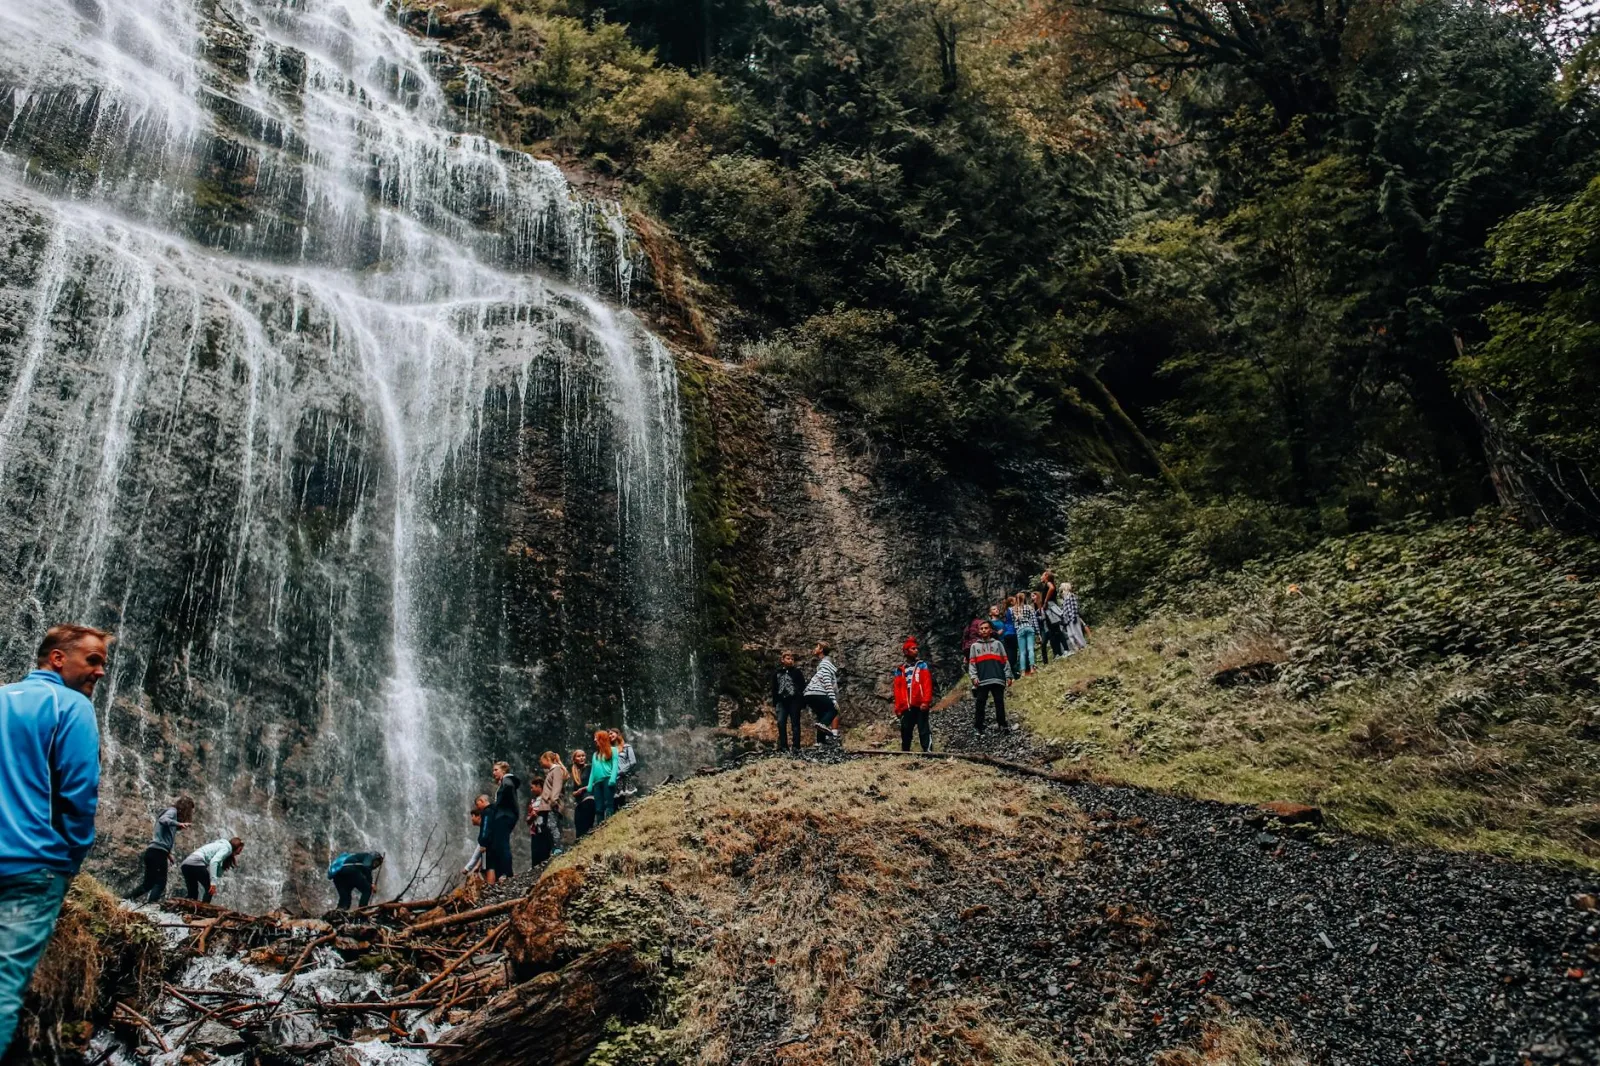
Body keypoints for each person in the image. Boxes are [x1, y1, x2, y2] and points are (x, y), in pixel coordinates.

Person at [0, 625, 107, 1057]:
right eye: (93, 660)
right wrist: (69, 860)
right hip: (33, 867)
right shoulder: (72, 706)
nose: (100, 672)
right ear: (58, 658)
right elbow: (80, 793)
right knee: (4, 985)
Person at [125, 796, 194, 904]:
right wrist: (179, 823)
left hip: (154, 851)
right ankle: (151, 906)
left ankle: (124, 900)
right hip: (158, 853)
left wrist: (168, 854)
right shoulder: (172, 811)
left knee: (148, 884)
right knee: (160, 883)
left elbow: (161, 838)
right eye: (190, 810)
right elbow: (163, 820)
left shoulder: (172, 814)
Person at [967, 620, 1013, 733]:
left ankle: (1002, 724)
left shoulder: (998, 644)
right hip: (982, 679)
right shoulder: (974, 646)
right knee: (980, 702)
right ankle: (978, 726)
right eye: (981, 629)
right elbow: (972, 664)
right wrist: (974, 677)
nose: (984, 630)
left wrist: (1008, 676)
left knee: (999, 702)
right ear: (979, 631)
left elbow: (1005, 660)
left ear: (990, 630)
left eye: (986, 628)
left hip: (998, 678)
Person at [892, 638, 935, 753]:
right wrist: (898, 708)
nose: (916, 650)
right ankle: (905, 751)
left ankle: (927, 750)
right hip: (906, 705)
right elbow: (897, 690)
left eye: (916, 648)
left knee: (923, 728)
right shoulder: (900, 670)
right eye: (913, 648)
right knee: (905, 729)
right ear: (906, 652)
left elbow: (927, 684)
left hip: (920, 703)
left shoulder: (922, 666)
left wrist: (926, 701)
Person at [528, 752, 566, 866]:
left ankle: (557, 848)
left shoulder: (556, 770)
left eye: (542, 760)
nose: (541, 763)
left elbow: (557, 786)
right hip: (547, 805)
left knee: (552, 826)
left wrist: (553, 800)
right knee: (549, 827)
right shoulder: (551, 771)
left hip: (551, 804)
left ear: (547, 759)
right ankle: (554, 848)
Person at [180, 837, 244, 902]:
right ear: (236, 846)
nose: (240, 852)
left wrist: (221, 868)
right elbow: (214, 862)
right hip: (196, 862)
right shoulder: (226, 849)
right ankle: (204, 907)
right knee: (210, 889)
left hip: (186, 864)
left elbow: (218, 872)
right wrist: (213, 882)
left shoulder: (221, 845)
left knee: (192, 894)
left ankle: (183, 906)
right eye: (240, 849)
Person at [486, 762, 519, 884]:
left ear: (503, 771)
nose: (493, 773)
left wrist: (496, 805)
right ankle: (503, 872)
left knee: (503, 844)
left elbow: (508, 787)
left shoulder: (507, 780)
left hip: (504, 816)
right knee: (499, 844)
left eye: (496, 770)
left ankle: (506, 873)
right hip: (505, 815)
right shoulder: (506, 781)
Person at [803, 642, 841, 744]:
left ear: (821, 650)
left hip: (809, 694)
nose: (815, 648)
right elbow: (827, 682)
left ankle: (820, 742)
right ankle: (823, 726)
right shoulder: (825, 664)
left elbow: (826, 680)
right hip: (816, 692)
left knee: (822, 715)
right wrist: (833, 700)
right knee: (834, 710)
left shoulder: (825, 664)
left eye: (817, 647)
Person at [770, 650, 806, 752]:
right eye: (788, 658)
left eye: (792, 659)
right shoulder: (777, 673)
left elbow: (802, 686)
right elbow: (774, 688)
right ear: (782, 660)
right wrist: (775, 702)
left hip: (794, 701)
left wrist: (802, 702)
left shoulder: (797, 672)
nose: (790, 661)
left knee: (795, 723)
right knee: (781, 722)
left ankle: (796, 746)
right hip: (781, 702)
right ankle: (784, 746)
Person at [589, 732, 618, 823]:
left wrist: (613, 778)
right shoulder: (595, 754)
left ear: (602, 739)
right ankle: (599, 826)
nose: (594, 740)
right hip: (597, 783)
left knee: (608, 803)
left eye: (596, 738)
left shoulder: (613, 750)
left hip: (607, 779)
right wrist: (590, 784)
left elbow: (615, 765)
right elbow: (593, 770)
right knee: (598, 807)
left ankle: (609, 823)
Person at [570, 750, 596, 838]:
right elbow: (574, 791)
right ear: (574, 759)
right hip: (579, 802)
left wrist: (583, 789)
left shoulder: (589, 768)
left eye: (583, 756)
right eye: (579, 756)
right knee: (578, 825)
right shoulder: (575, 772)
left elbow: (595, 782)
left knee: (586, 825)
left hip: (589, 798)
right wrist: (576, 792)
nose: (581, 758)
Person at [463, 795, 490, 876]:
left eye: (472, 816)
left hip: (492, 857)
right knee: (484, 869)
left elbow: (480, 850)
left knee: (487, 869)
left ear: (478, 817)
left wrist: (467, 868)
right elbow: (481, 849)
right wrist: (478, 866)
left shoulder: (485, 828)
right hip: (487, 857)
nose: (471, 819)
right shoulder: (484, 828)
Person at [1012, 592, 1038, 676]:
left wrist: (1017, 630)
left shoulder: (1014, 610)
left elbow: (1014, 623)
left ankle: (1023, 671)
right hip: (1029, 627)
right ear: (1024, 599)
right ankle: (1032, 668)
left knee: (1022, 652)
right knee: (1030, 649)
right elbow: (1034, 620)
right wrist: (1038, 632)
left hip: (1020, 629)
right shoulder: (1029, 607)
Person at [609, 729, 637, 802]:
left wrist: (622, 771)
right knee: (616, 803)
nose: (610, 735)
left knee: (628, 801)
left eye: (611, 733)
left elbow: (633, 762)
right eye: (608, 735)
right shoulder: (609, 750)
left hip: (625, 778)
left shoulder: (627, 746)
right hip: (614, 780)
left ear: (617, 734)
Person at [1060, 582, 1088, 651]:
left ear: (1065, 588)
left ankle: (1083, 646)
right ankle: (1077, 648)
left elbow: (1074, 607)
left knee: (1077, 633)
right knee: (1071, 634)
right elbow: (1065, 610)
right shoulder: (1064, 599)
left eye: (1062, 589)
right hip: (1068, 620)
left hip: (1073, 618)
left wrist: (1073, 617)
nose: (1061, 592)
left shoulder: (1071, 596)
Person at [997, 599, 1019, 674]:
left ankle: (1009, 670)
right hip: (1012, 632)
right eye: (1015, 601)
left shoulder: (1006, 611)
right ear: (1011, 603)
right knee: (1014, 653)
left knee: (1009, 652)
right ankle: (1012, 670)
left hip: (1006, 634)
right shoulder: (1012, 610)